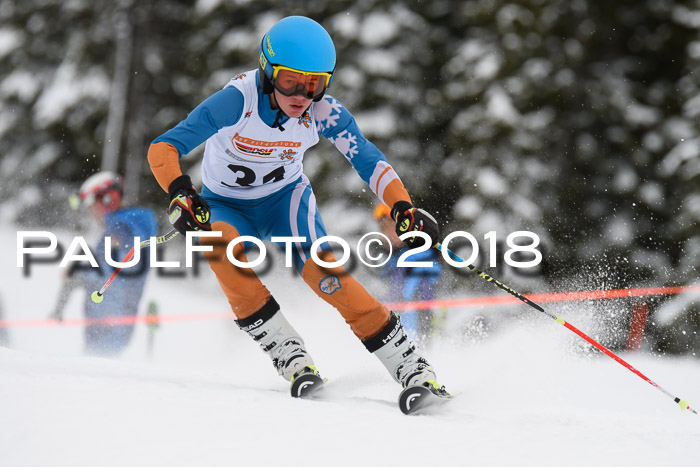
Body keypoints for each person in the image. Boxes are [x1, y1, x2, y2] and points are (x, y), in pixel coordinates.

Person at [147, 16, 449, 399]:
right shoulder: (238, 100)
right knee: (223, 251)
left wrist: (403, 208)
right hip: (225, 204)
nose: (301, 95)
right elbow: (164, 147)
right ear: (268, 70)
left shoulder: (324, 112)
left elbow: (368, 160)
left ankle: (413, 369)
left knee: (327, 276)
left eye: (315, 84)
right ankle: (290, 356)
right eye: (290, 80)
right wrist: (180, 192)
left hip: (283, 201)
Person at [50, 171, 158, 356]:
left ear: (108, 199)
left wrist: (79, 273)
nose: (93, 214)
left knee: (98, 375)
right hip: (106, 323)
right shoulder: (127, 225)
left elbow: (119, 266)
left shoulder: (122, 227)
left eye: (92, 207)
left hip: (109, 325)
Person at [373, 203, 444, 346]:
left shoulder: (416, 257)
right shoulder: (393, 261)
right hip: (403, 335)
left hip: (417, 336)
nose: (385, 234)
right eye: (382, 229)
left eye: (390, 228)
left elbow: (413, 296)